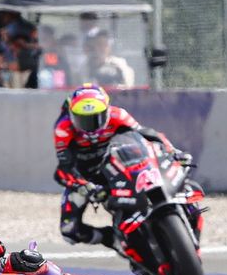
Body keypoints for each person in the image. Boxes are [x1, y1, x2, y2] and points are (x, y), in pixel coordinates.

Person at [54, 83, 186, 251]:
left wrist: (172, 151)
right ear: (72, 115)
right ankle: (113, 239)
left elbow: (147, 134)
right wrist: (85, 186)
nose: (90, 125)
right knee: (69, 230)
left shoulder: (118, 115)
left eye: (96, 117)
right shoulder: (63, 128)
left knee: (176, 173)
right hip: (86, 175)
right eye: (83, 119)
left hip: (120, 164)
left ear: (107, 111)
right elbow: (63, 169)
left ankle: (181, 210)